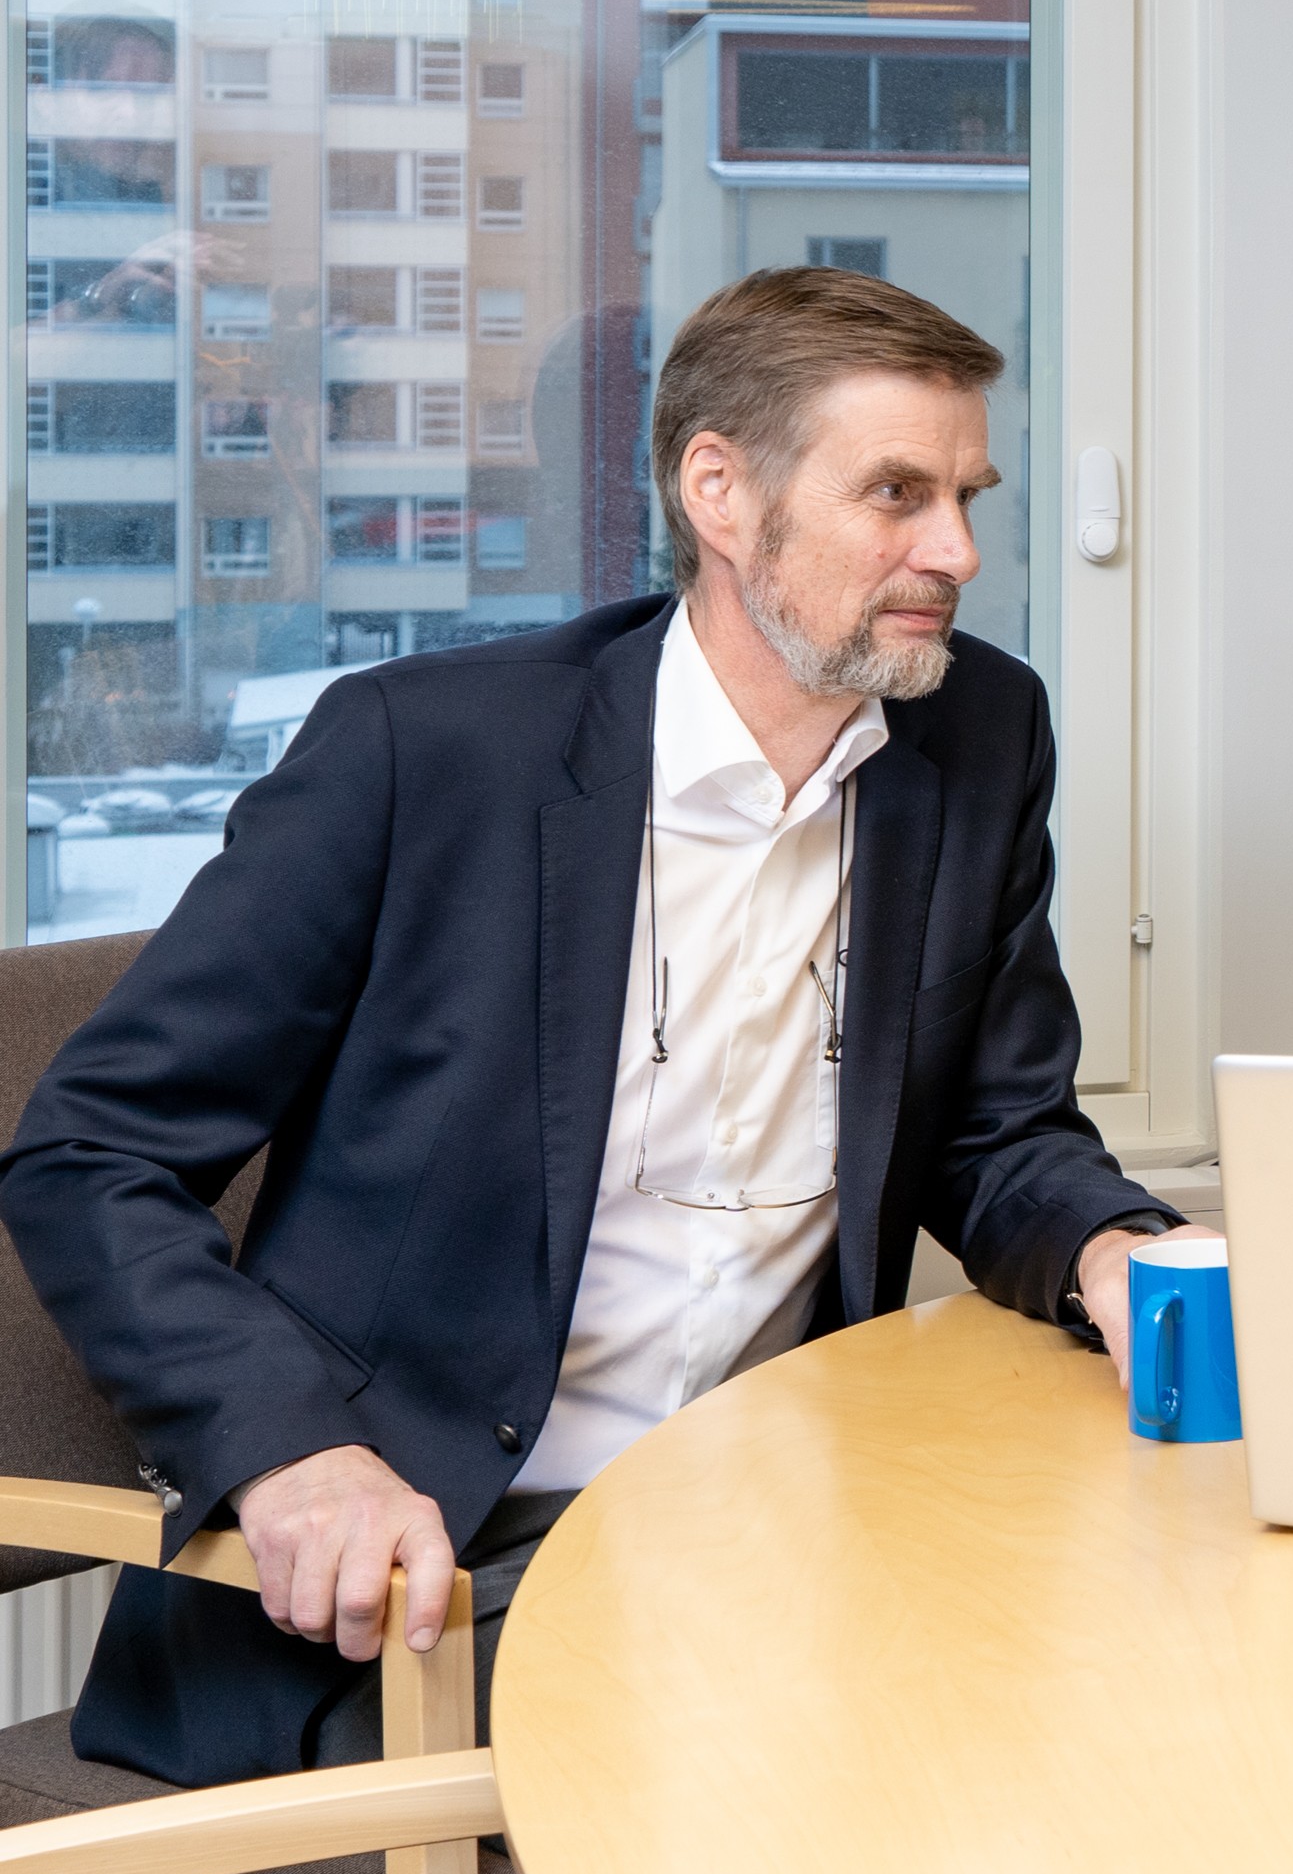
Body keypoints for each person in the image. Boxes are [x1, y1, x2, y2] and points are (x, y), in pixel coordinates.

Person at [1, 263, 1201, 1784]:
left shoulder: (977, 734)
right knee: (879, 1771)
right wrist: (292, 1451)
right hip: (425, 1585)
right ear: (720, 490)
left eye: (969, 496)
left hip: (764, 1530)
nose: (955, 550)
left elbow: (995, 1129)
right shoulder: (426, 754)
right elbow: (90, 1153)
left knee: (1141, 1682)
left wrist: (1115, 1251)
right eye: (896, 493)